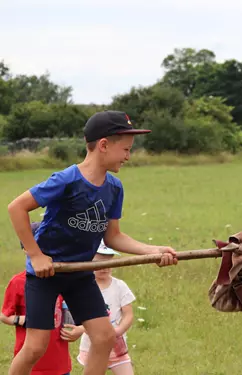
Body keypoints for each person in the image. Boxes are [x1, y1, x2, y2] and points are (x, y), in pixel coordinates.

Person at [6, 110, 178, 375]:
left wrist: (153, 250)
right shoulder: (67, 181)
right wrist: (36, 255)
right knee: (36, 347)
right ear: (103, 145)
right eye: (125, 149)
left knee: (104, 336)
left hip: (80, 273)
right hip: (46, 273)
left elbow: (113, 236)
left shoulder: (114, 187)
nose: (128, 156)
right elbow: (16, 208)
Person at [0, 222, 82, 375]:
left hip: (60, 365)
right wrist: (20, 320)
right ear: (26, 249)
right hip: (31, 365)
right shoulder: (18, 282)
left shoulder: (64, 280)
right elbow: (4, 316)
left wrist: (79, 330)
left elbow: (79, 314)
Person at [75, 241, 137, 374]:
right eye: (99, 264)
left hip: (117, 346)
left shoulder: (120, 286)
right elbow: (82, 318)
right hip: (92, 346)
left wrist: (119, 330)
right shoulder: (85, 288)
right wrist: (80, 330)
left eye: (108, 263)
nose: (104, 268)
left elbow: (128, 314)